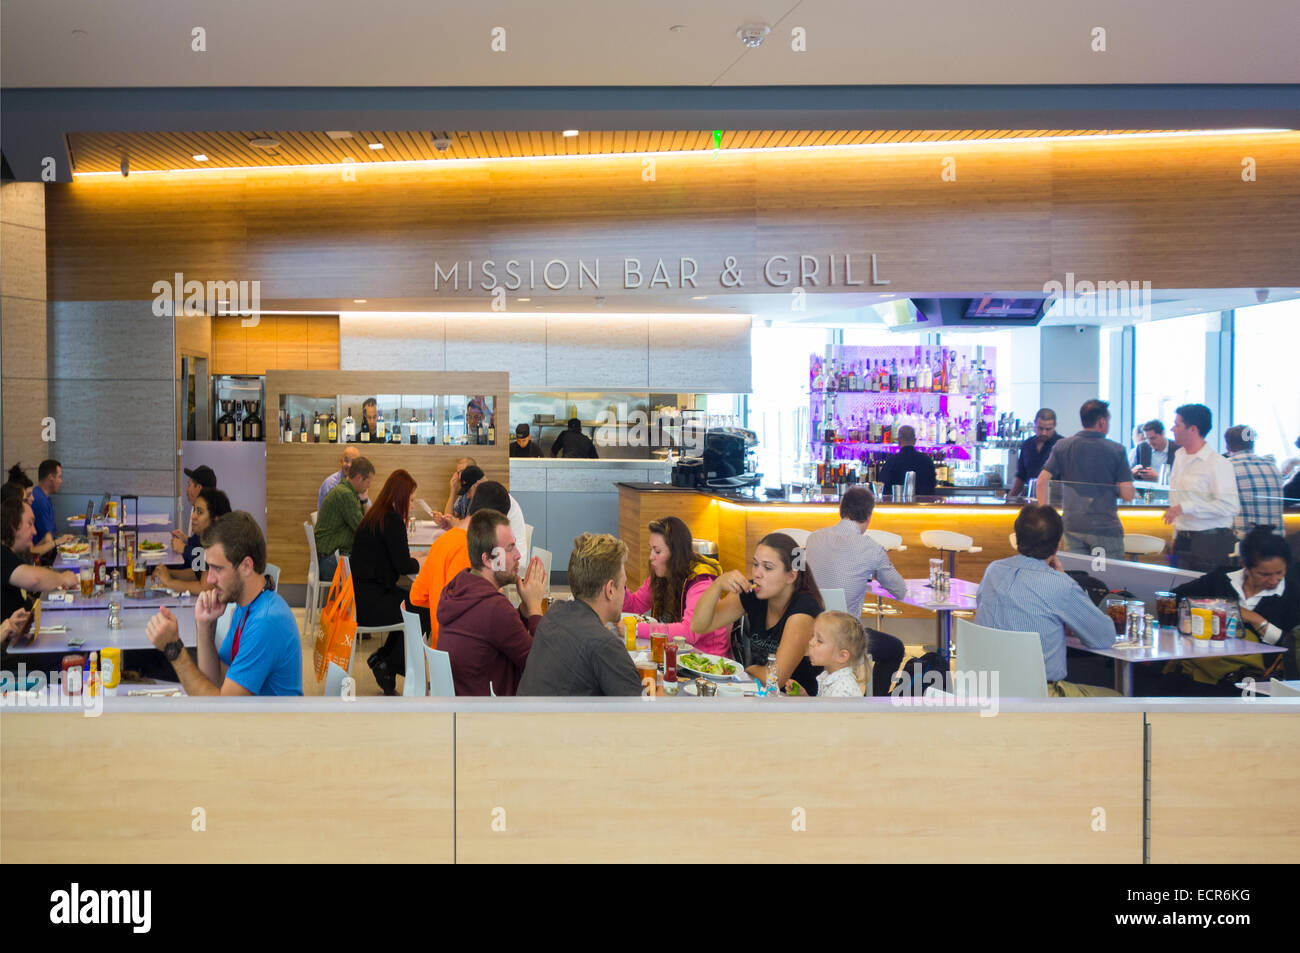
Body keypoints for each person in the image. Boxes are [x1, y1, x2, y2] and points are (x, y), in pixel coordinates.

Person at [144, 511, 301, 696]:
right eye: (209, 567)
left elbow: (222, 710)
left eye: (217, 568)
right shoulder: (245, 606)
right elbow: (216, 683)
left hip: (265, 724)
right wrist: (204, 626)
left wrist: (174, 650)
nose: (209, 578)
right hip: (247, 721)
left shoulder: (265, 622)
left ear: (246, 566)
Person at [973, 503, 1120, 696]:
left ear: (1017, 538)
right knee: (1119, 699)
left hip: (985, 688)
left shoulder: (994, 570)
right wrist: (1062, 577)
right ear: (1058, 545)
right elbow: (1103, 637)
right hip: (1037, 695)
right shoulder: (1061, 585)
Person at [1164, 527, 1298, 691]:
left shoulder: (1292, 594)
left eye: (1279, 572)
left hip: (1254, 680)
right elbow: (1173, 599)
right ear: (1245, 567)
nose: (1273, 580)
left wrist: (1256, 620)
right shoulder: (1222, 579)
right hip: (1201, 667)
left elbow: (1292, 647)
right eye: (1264, 574)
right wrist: (1209, 609)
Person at [803, 486, 907, 695]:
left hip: (809, 626)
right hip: (843, 638)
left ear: (841, 509)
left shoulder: (813, 538)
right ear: (869, 517)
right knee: (895, 648)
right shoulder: (871, 548)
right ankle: (876, 702)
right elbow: (900, 590)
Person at [691, 532, 824, 693]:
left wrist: (748, 669)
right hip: (763, 697)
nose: (757, 573)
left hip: (799, 706)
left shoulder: (804, 610)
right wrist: (717, 585)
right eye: (755, 564)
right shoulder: (754, 593)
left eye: (767, 568)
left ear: (791, 576)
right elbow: (699, 625)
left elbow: (776, 678)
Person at [518, 533, 646, 697]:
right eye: (624, 585)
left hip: (530, 719)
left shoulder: (554, 613)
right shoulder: (605, 645)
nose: (625, 591)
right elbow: (644, 713)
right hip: (561, 722)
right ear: (610, 589)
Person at [436, 509, 547, 697]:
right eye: (510, 548)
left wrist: (523, 611)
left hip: (461, 710)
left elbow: (498, 633)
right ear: (488, 560)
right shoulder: (494, 608)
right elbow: (542, 669)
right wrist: (536, 607)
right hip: (491, 716)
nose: (519, 555)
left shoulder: (458, 589)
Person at [408, 480, 512, 642]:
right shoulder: (472, 552)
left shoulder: (442, 541)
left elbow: (417, 596)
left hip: (439, 651)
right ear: (493, 520)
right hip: (462, 652)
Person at [1036, 399, 1135, 560]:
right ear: (1102, 422)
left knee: (1076, 577)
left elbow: (1041, 482)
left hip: (1071, 526)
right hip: (1104, 528)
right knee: (1105, 578)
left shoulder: (1062, 446)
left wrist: (1047, 515)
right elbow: (1127, 494)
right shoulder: (1116, 450)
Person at [350, 469, 420, 695]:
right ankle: (388, 662)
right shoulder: (392, 520)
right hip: (371, 603)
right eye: (410, 499)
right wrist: (419, 562)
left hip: (360, 597)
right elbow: (403, 565)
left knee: (411, 601)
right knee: (418, 607)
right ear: (401, 497)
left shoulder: (376, 514)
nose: (412, 504)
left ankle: (385, 660)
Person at [621, 515, 728, 654]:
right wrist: (619, 581)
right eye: (651, 550)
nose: (651, 557)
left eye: (657, 551)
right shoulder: (661, 575)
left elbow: (690, 632)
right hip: (675, 655)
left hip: (706, 662)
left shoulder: (700, 582)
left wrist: (636, 628)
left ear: (675, 554)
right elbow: (634, 607)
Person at [1165, 403, 1240, 572]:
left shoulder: (1217, 463)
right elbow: (1177, 498)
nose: (1172, 429)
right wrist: (1175, 537)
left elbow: (1230, 506)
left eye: (1177, 425)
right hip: (1183, 539)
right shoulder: (1179, 456)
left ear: (1192, 429)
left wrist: (1185, 507)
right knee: (1180, 592)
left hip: (1210, 541)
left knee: (1206, 596)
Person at [2, 497, 77, 614]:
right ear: (13, 525)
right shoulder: (2, 555)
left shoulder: (11, 554)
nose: (34, 531)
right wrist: (62, 579)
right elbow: (34, 580)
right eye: (30, 524)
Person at [152, 488, 231, 594]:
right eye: (194, 510)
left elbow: (205, 588)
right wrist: (170, 573)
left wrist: (169, 582)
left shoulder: (219, 545)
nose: (193, 516)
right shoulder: (206, 539)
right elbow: (198, 572)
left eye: (200, 512)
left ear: (215, 519)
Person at [313, 456, 375, 580]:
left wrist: (363, 501)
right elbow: (363, 530)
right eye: (368, 482)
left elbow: (364, 525)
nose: (369, 486)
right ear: (358, 478)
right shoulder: (345, 495)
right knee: (375, 568)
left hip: (330, 557)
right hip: (330, 562)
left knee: (373, 564)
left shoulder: (347, 491)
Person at [1224, 425, 1283, 536]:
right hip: (1277, 544)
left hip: (1243, 545)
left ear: (1227, 446)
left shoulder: (1225, 467)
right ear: (1253, 444)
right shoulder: (1273, 467)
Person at [806, 610, 869, 698]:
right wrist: (804, 697)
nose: (810, 642)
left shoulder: (842, 691)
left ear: (842, 656)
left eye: (819, 641)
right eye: (813, 636)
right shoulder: (830, 678)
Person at [1006, 408, 1062, 499]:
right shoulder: (1027, 445)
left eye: (1048, 429)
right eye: (1040, 428)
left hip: (1054, 501)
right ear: (1035, 424)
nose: (1044, 432)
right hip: (1031, 498)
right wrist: (1010, 499)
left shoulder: (1062, 445)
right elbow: (1021, 476)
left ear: (1055, 425)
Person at [29, 459, 73, 562]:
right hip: (42, 559)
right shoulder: (39, 501)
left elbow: (52, 534)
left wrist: (63, 538)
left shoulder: (43, 497)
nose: (60, 481)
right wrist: (61, 540)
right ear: (50, 478)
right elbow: (48, 539)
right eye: (59, 477)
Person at [876, 425, 936, 496]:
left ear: (899, 440)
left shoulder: (892, 461)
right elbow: (932, 485)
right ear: (914, 440)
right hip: (923, 504)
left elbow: (883, 486)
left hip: (897, 504)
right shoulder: (927, 460)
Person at [172, 464, 217, 557]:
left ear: (199, 488)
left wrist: (184, 548)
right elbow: (199, 544)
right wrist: (186, 539)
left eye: (189, 485)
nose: (186, 489)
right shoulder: (208, 509)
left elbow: (204, 564)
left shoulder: (212, 517)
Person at [317, 446, 361, 513]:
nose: (349, 465)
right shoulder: (330, 484)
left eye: (353, 462)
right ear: (341, 462)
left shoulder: (358, 482)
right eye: (346, 460)